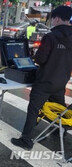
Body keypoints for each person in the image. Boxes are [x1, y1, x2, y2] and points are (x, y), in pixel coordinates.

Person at [11, 6, 72, 150]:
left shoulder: (50, 37)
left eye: (52, 19)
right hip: (61, 81)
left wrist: (34, 55)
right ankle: (59, 131)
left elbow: (41, 59)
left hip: (45, 81)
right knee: (59, 109)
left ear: (56, 18)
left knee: (33, 110)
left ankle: (26, 140)